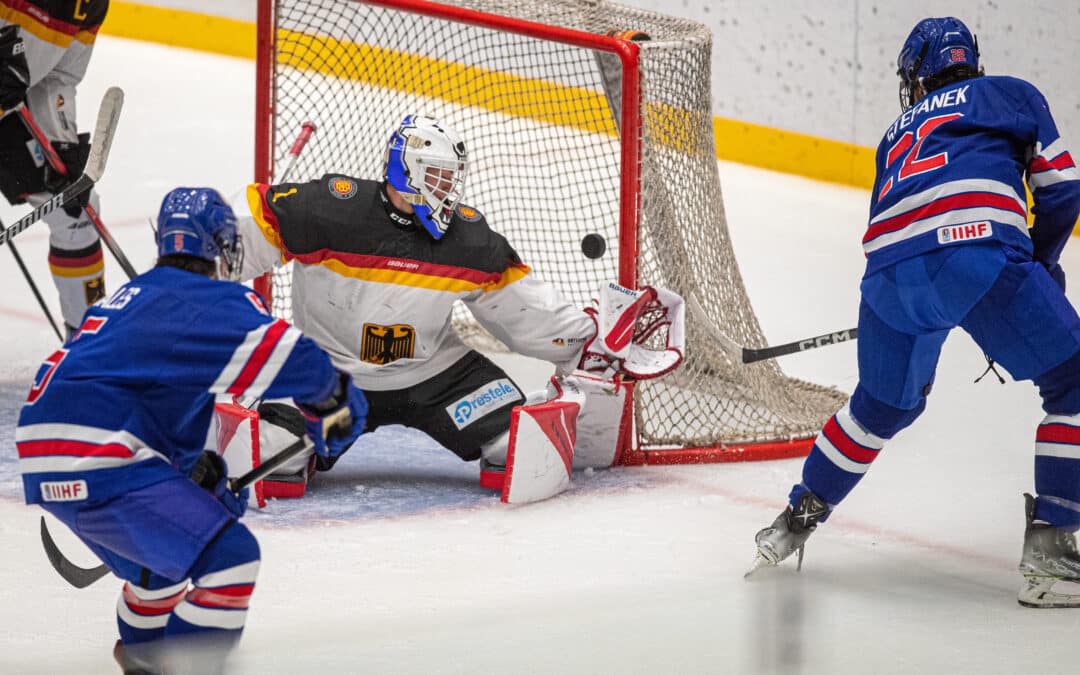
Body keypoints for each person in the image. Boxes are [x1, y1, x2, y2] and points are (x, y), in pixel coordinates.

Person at [749, 17, 1080, 607]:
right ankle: (1055, 551)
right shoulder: (1010, 92)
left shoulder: (892, 134)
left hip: (887, 277)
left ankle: (794, 518)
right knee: (1074, 382)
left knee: (879, 406)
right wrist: (1039, 263)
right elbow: (1062, 189)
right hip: (980, 253)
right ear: (970, 61)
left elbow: (906, 224)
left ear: (914, 76)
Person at [16, 187, 367, 673]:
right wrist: (337, 405)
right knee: (233, 560)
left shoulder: (132, 298)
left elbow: (152, 403)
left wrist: (193, 478)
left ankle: (143, 660)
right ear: (222, 247)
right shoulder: (207, 298)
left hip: (41, 451)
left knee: (160, 571)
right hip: (100, 450)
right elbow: (299, 361)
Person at [235, 114, 681, 496]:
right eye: (437, 175)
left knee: (520, 449)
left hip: (436, 375)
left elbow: (521, 308)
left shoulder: (466, 240)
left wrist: (589, 339)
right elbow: (237, 234)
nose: (448, 188)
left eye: (452, 178)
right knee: (269, 457)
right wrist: (193, 269)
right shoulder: (326, 210)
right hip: (328, 373)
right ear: (405, 171)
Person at [0, 2, 110, 335]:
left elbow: (60, 77)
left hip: (10, 105)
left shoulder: (90, 4)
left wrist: (63, 142)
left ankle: (86, 344)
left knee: (75, 213)